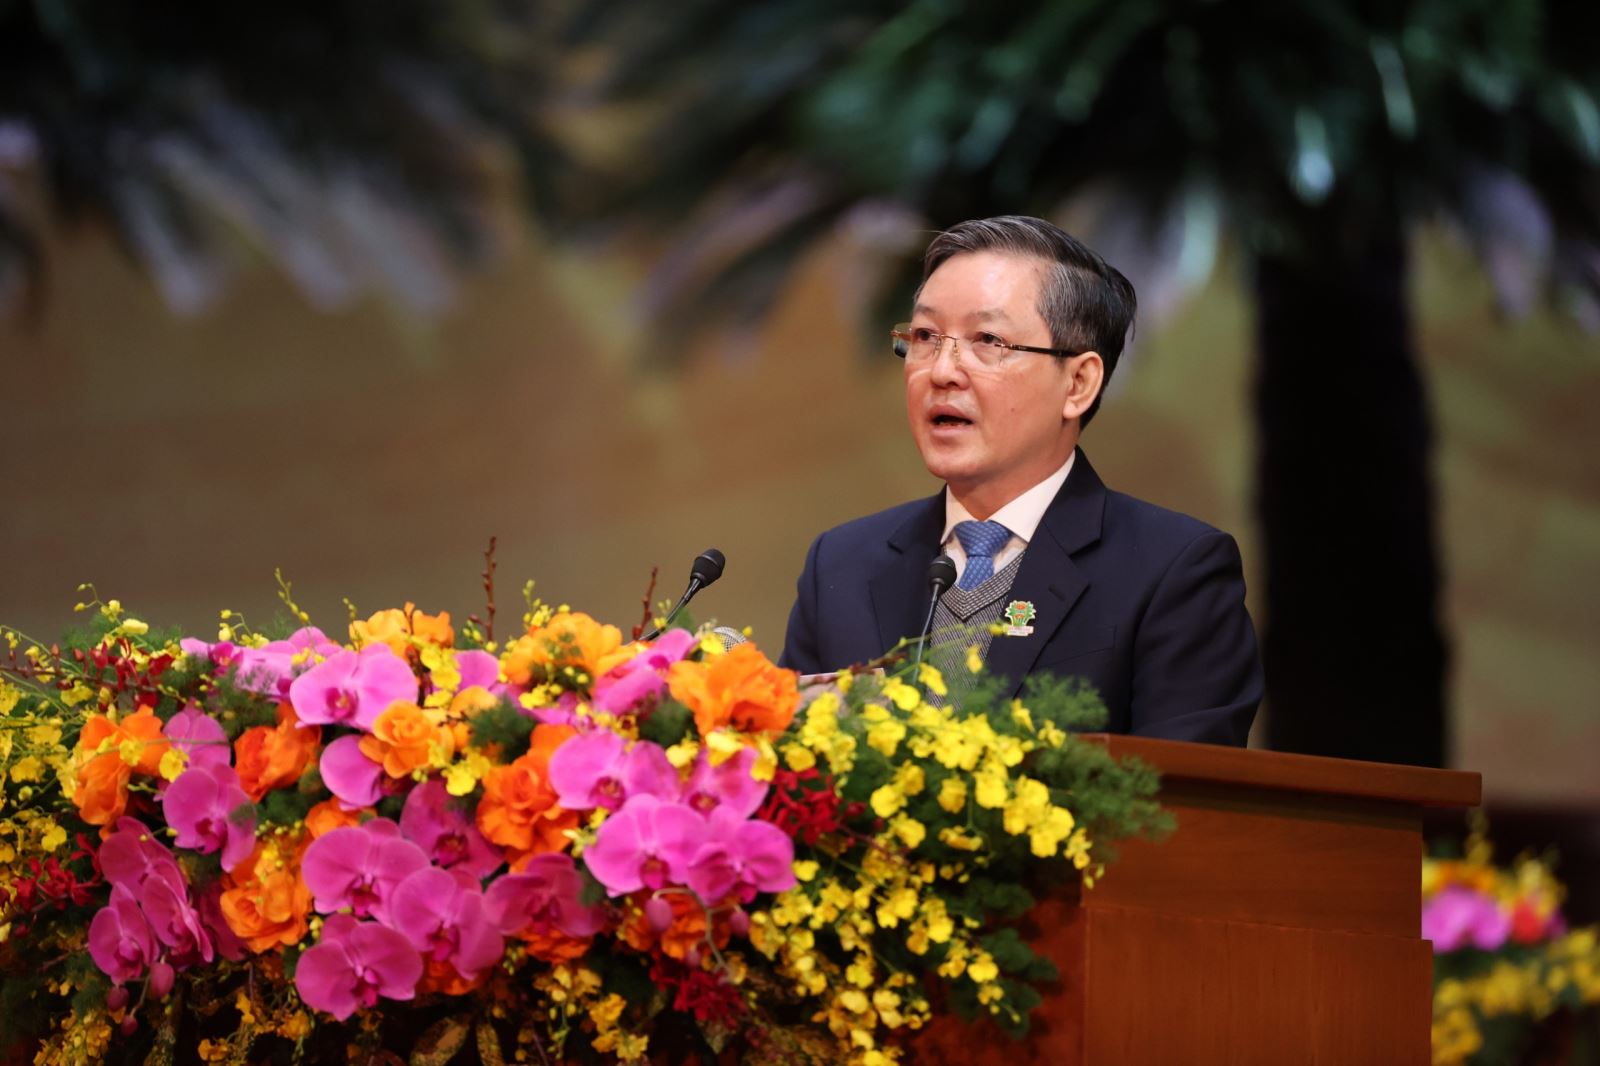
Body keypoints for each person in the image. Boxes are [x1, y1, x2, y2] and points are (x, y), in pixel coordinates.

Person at [779, 216, 1261, 746]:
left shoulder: (1174, 573)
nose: (941, 371)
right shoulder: (842, 564)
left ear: (1078, 383)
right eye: (925, 337)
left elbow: (1182, 790)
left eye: (988, 340)